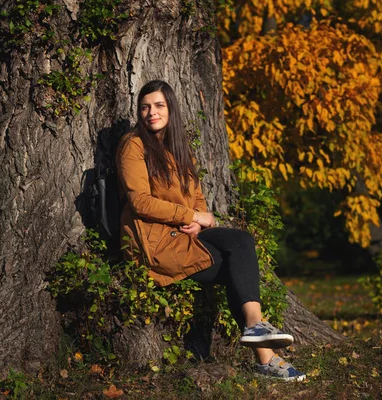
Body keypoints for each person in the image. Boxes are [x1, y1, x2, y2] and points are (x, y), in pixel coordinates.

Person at [116, 80, 306, 382]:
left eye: (159, 105)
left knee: (240, 242)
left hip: (185, 234)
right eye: (145, 107)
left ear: (171, 109)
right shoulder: (134, 145)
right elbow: (139, 202)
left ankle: (256, 328)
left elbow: (198, 196)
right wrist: (189, 214)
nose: (151, 112)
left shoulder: (178, 147)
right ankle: (265, 357)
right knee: (236, 268)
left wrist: (204, 219)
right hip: (154, 243)